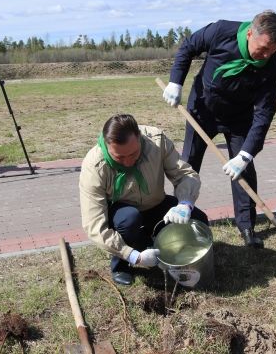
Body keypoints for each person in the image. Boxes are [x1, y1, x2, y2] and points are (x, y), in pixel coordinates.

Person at [162, 10, 276, 248]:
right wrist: (175, 81)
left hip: (239, 117)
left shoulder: (272, 67)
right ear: (250, 33)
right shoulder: (221, 32)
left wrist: (246, 154)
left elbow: (265, 112)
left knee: (243, 172)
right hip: (203, 110)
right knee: (188, 165)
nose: (266, 55)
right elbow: (189, 46)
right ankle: (181, 216)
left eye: (273, 50)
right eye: (263, 48)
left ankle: (247, 226)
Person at [79, 113, 209, 286]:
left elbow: (184, 174)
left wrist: (185, 203)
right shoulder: (94, 166)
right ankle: (122, 265)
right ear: (107, 145)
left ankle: (164, 250)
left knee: (199, 219)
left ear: (139, 138)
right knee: (129, 219)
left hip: (155, 203)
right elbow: (94, 226)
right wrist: (133, 256)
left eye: (133, 154)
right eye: (119, 157)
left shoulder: (156, 141)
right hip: (122, 212)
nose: (127, 162)